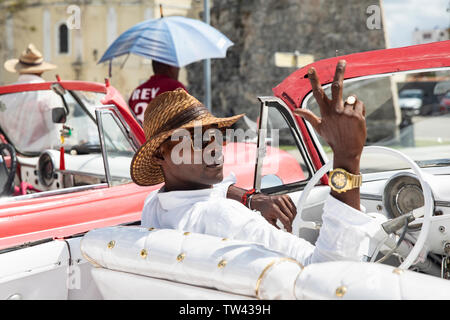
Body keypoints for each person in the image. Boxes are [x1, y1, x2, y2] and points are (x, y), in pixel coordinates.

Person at [130, 60, 383, 266]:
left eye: (215, 134)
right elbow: (331, 270)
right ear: (160, 155)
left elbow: (193, 196)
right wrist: (347, 157)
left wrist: (249, 198)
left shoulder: (154, 207)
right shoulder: (225, 217)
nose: (214, 147)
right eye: (194, 139)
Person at [1, 43, 62, 153]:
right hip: (41, 160)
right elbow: (57, 133)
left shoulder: (4, 97)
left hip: (11, 160)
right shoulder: (48, 94)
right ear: (42, 70)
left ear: (19, 69)